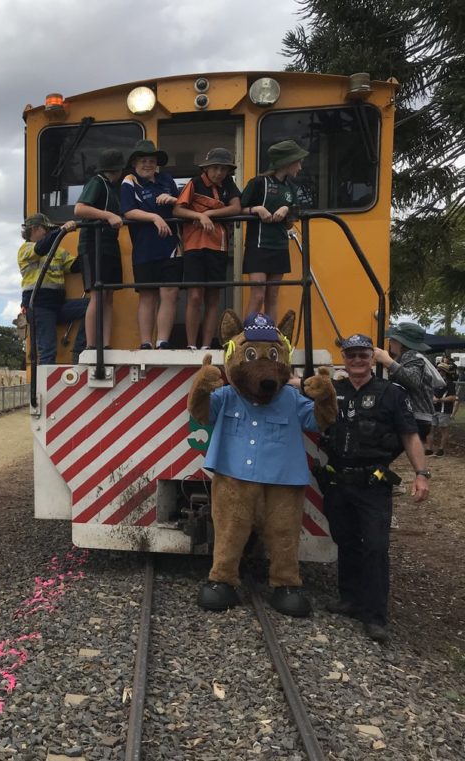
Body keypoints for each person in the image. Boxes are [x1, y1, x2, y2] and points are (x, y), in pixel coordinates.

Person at [320, 333, 429, 643]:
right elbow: (295, 385)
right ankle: (350, 599)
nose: (357, 360)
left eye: (363, 355)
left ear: (373, 357)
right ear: (343, 357)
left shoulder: (391, 394)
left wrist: (422, 474)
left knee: (376, 548)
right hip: (339, 481)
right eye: (351, 354)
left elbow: (410, 435)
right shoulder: (332, 390)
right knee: (346, 540)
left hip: (373, 484)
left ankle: (375, 616)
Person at [173, 147, 242, 349]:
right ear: (206, 168)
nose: (219, 172)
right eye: (215, 168)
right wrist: (199, 216)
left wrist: (209, 214)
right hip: (194, 245)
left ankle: (205, 345)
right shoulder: (194, 183)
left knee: (213, 297)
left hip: (219, 246)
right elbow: (177, 209)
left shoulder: (229, 184)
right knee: (195, 296)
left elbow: (236, 207)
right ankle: (191, 345)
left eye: (223, 168)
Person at [120, 140, 181, 349]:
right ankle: (146, 342)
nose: (148, 164)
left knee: (170, 293)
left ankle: (162, 341)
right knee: (147, 295)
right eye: (144, 160)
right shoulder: (129, 182)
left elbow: (181, 204)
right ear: (135, 163)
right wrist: (155, 217)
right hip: (144, 249)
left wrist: (172, 199)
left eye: (152, 160)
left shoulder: (166, 179)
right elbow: (128, 211)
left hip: (170, 247)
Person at [240, 139, 308, 320]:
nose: (300, 167)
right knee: (258, 294)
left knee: (273, 295)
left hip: (280, 245)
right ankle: (248, 337)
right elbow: (239, 208)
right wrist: (257, 209)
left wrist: (287, 210)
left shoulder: (291, 188)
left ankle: (271, 339)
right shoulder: (258, 183)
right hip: (258, 245)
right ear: (287, 162)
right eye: (298, 162)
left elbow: (291, 222)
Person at [17, 213, 88, 364]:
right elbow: (41, 248)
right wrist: (61, 231)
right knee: (48, 351)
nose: (48, 233)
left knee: (93, 306)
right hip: (39, 305)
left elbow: (75, 266)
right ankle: (44, 386)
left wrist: (89, 250)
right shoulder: (25, 250)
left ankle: (79, 350)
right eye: (46, 230)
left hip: (58, 304)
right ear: (35, 229)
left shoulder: (58, 250)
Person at [74, 148, 125, 349]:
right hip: (93, 245)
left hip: (109, 245)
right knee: (97, 294)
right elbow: (79, 208)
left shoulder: (113, 188)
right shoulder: (97, 182)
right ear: (117, 169)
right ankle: (91, 345)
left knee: (108, 295)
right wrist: (108, 215)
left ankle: (105, 344)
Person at [372, 322, 436, 451]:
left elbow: (412, 380)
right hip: (414, 418)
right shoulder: (408, 357)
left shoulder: (412, 355)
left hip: (415, 418)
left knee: (379, 450)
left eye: (393, 339)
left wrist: (387, 361)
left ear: (402, 342)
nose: (390, 341)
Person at [432, 361, 458, 457]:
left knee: (444, 429)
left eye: (439, 370)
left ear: (444, 372)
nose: (438, 372)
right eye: (437, 370)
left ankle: (441, 449)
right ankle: (429, 449)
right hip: (433, 409)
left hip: (444, 409)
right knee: (430, 428)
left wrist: (439, 400)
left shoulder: (449, 383)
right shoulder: (434, 382)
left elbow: (453, 397)